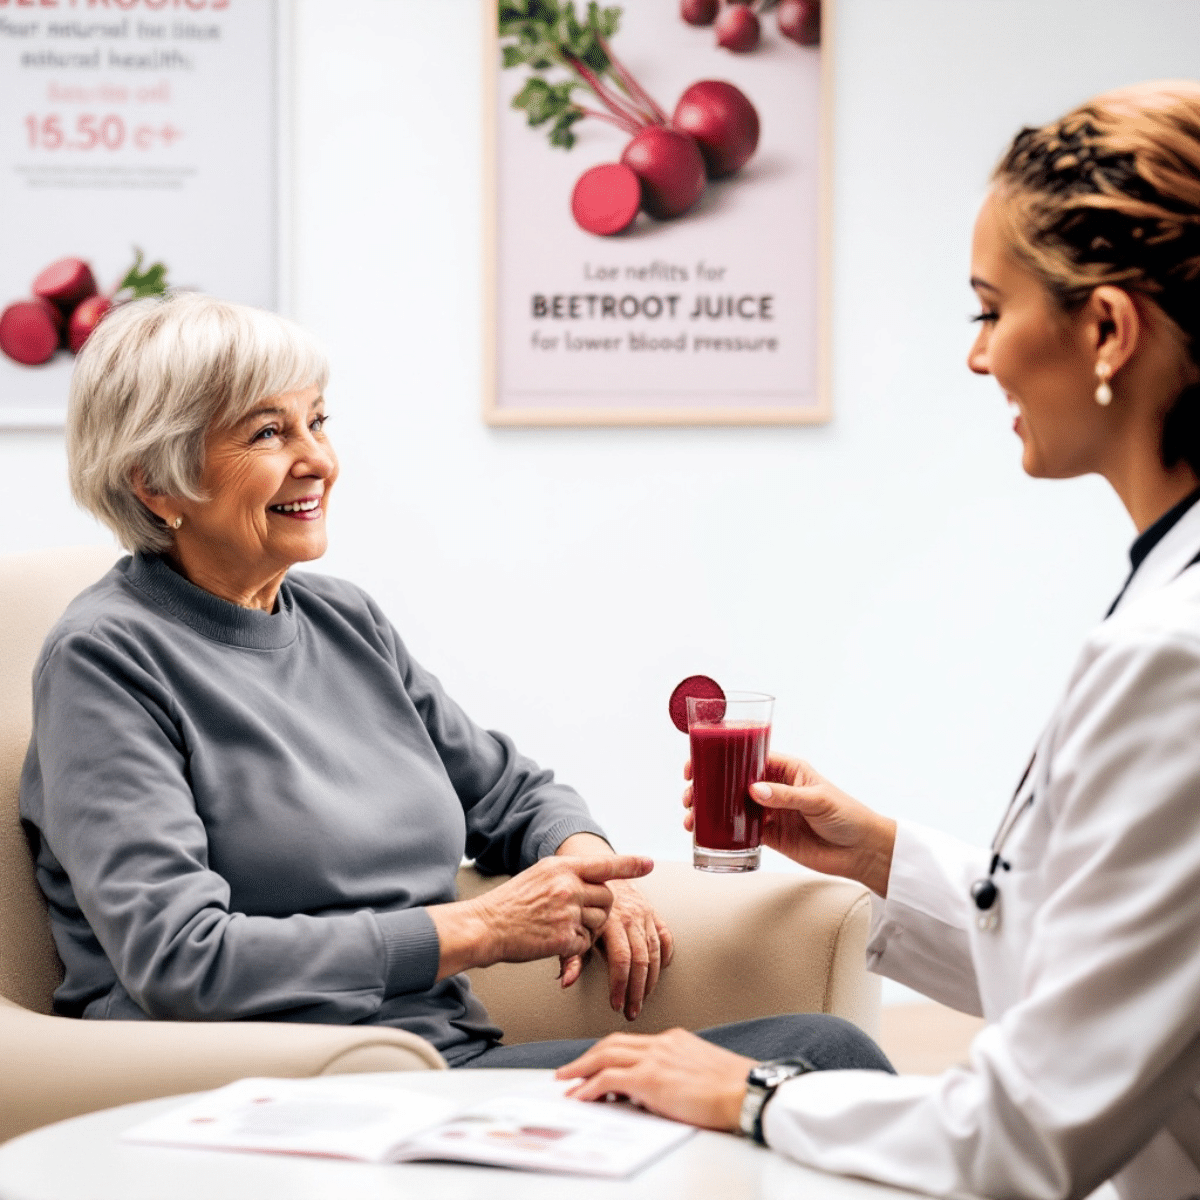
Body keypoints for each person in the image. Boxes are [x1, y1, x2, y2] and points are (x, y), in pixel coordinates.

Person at [558, 81, 1200, 1199]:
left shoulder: (1171, 657)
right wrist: (875, 856)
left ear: (1105, 328)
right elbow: (1106, 977)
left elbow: (1026, 1132)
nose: (979, 357)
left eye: (988, 311)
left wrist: (752, 1093)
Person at [19, 293, 889, 1074]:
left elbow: (514, 796)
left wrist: (592, 870)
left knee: (819, 1061)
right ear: (156, 481)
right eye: (267, 432)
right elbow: (181, 960)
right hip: (279, 1088)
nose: (317, 459)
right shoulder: (107, 660)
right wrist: (482, 929)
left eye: (317, 421)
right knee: (815, 1063)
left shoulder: (341, 621)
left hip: (441, 1065)